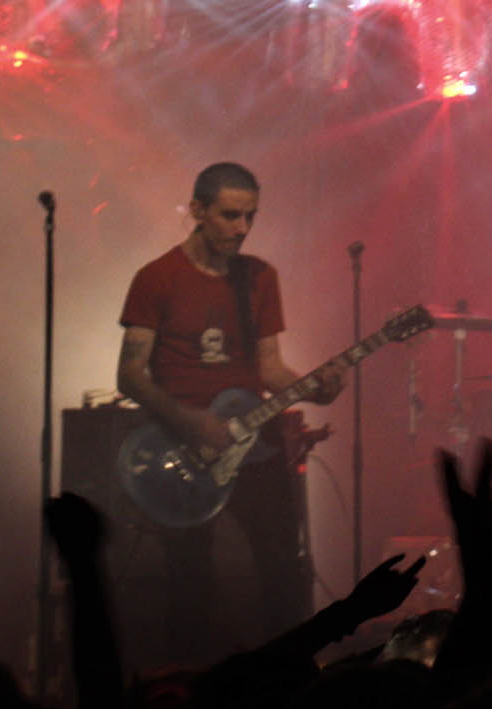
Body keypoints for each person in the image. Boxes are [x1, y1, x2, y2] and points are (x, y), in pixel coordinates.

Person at [117, 161, 343, 659]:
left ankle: (288, 679)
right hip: (184, 446)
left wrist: (315, 389)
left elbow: (269, 369)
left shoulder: (260, 278)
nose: (242, 229)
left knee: (283, 564)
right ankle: (189, 692)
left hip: (252, 442)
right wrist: (190, 421)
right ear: (197, 211)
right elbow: (130, 374)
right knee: (190, 577)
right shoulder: (156, 278)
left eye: (250, 217)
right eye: (230, 216)